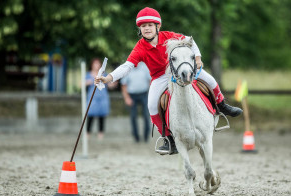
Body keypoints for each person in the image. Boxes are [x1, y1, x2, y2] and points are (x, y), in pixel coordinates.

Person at [95, 7, 243, 154]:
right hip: (160, 77)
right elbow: (127, 66)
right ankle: (168, 138)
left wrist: (197, 58)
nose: (147, 29)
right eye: (143, 26)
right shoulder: (140, 47)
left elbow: (190, 41)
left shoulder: (169, 36)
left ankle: (222, 105)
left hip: (178, 69)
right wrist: (108, 77)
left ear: (157, 26)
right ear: (140, 29)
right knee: (152, 105)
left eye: (150, 25)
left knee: (210, 79)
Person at [86, 58, 117, 140]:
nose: (96, 65)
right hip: (92, 98)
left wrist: (114, 83)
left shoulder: (104, 75)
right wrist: (88, 82)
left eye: (97, 63)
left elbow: (110, 85)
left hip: (103, 98)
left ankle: (100, 134)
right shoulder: (88, 74)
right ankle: (88, 133)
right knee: (90, 115)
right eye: (94, 64)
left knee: (102, 116)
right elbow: (81, 83)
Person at [121, 62, 151, 143]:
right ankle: (136, 137)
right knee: (133, 116)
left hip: (144, 94)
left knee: (146, 115)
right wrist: (127, 98)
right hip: (132, 95)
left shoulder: (145, 67)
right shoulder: (127, 69)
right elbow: (124, 85)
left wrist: (151, 95)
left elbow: (150, 81)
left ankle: (146, 136)